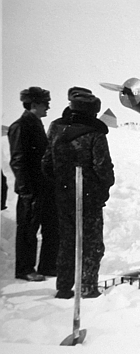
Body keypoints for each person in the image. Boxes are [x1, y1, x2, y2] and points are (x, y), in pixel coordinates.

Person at [42, 87, 115, 299]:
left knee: (66, 242)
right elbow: (103, 167)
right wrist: (104, 188)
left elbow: (46, 163)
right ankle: (87, 286)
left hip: (63, 196)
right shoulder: (94, 133)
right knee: (92, 244)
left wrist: (60, 184)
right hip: (89, 198)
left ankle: (64, 287)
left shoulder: (56, 127)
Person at [8, 87, 60, 281]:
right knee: (28, 230)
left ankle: (47, 266)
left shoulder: (35, 124)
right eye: (45, 103)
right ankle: (25, 269)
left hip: (43, 188)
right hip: (31, 189)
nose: (48, 107)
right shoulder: (21, 126)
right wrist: (25, 191)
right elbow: (18, 160)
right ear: (34, 104)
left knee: (50, 227)